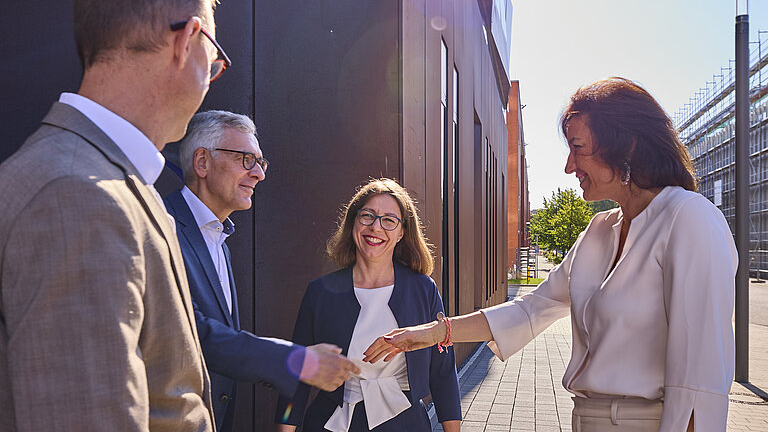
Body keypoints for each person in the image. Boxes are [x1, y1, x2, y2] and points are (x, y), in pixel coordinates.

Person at [364, 78, 738, 432]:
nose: (569, 166)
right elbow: (530, 309)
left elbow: (700, 381)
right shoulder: (599, 230)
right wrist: (433, 332)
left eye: (578, 148)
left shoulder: (690, 219)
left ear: (627, 147)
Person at [0, 0, 226, 430]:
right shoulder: (79, 194)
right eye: (214, 61)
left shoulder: (95, 180)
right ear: (186, 41)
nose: (210, 79)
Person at [164, 110, 360, 432]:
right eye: (245, 159)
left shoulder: (219, 238)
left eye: (260, 162)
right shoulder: (164, 226)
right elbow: (191, 333)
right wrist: (298, 361)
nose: (259, 174)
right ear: (202, 162)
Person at [275, 178, 461, 432]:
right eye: (367, 216)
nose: (376, 227)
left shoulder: (423, 289)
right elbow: (298, 372)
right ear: (353, 223)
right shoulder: (319, 292)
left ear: (401, 233)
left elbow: (443, 372)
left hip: (405, 422)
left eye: (389, 220)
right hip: (331, 423)